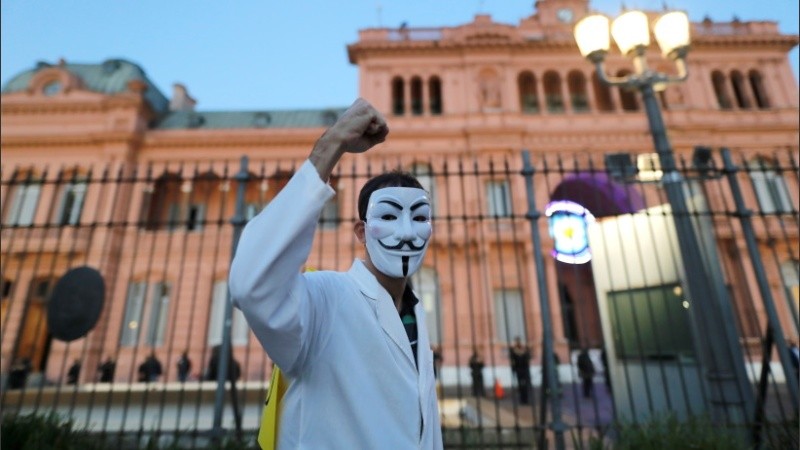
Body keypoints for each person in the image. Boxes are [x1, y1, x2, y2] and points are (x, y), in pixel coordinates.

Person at [229, 98, 443, 449]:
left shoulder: (414, 312)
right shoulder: (325, 300)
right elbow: (251, 283)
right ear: (361, 231)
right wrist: (331, 145)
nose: (407, 233)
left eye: (419, 218)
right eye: (389, 216)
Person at [509, 336, 532, 404]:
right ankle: (523, 399)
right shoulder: (513, 350)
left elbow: (528, 358)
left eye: (518, 341)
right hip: (519, 369)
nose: (517, 342)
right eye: (516, 341)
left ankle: (526, 399)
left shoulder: (524, 350)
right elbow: (512, 360)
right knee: (521, 385)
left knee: (525, 385)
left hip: (524, 369)